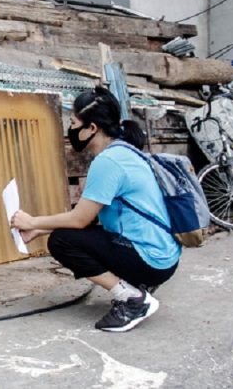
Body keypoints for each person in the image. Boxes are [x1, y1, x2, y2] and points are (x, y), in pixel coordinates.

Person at [11, 87, 181, 332]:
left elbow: (79, 220)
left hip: (151, 260)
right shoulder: (124, 152)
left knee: (62, 241)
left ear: (92, 128)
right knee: (66, 235)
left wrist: (32, 222)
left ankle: (132, 300)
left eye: (73, 123)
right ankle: (136, 288)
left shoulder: (108, 162)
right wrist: (40, 230)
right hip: (163, 255)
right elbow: (92, 219)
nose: (69, 131)